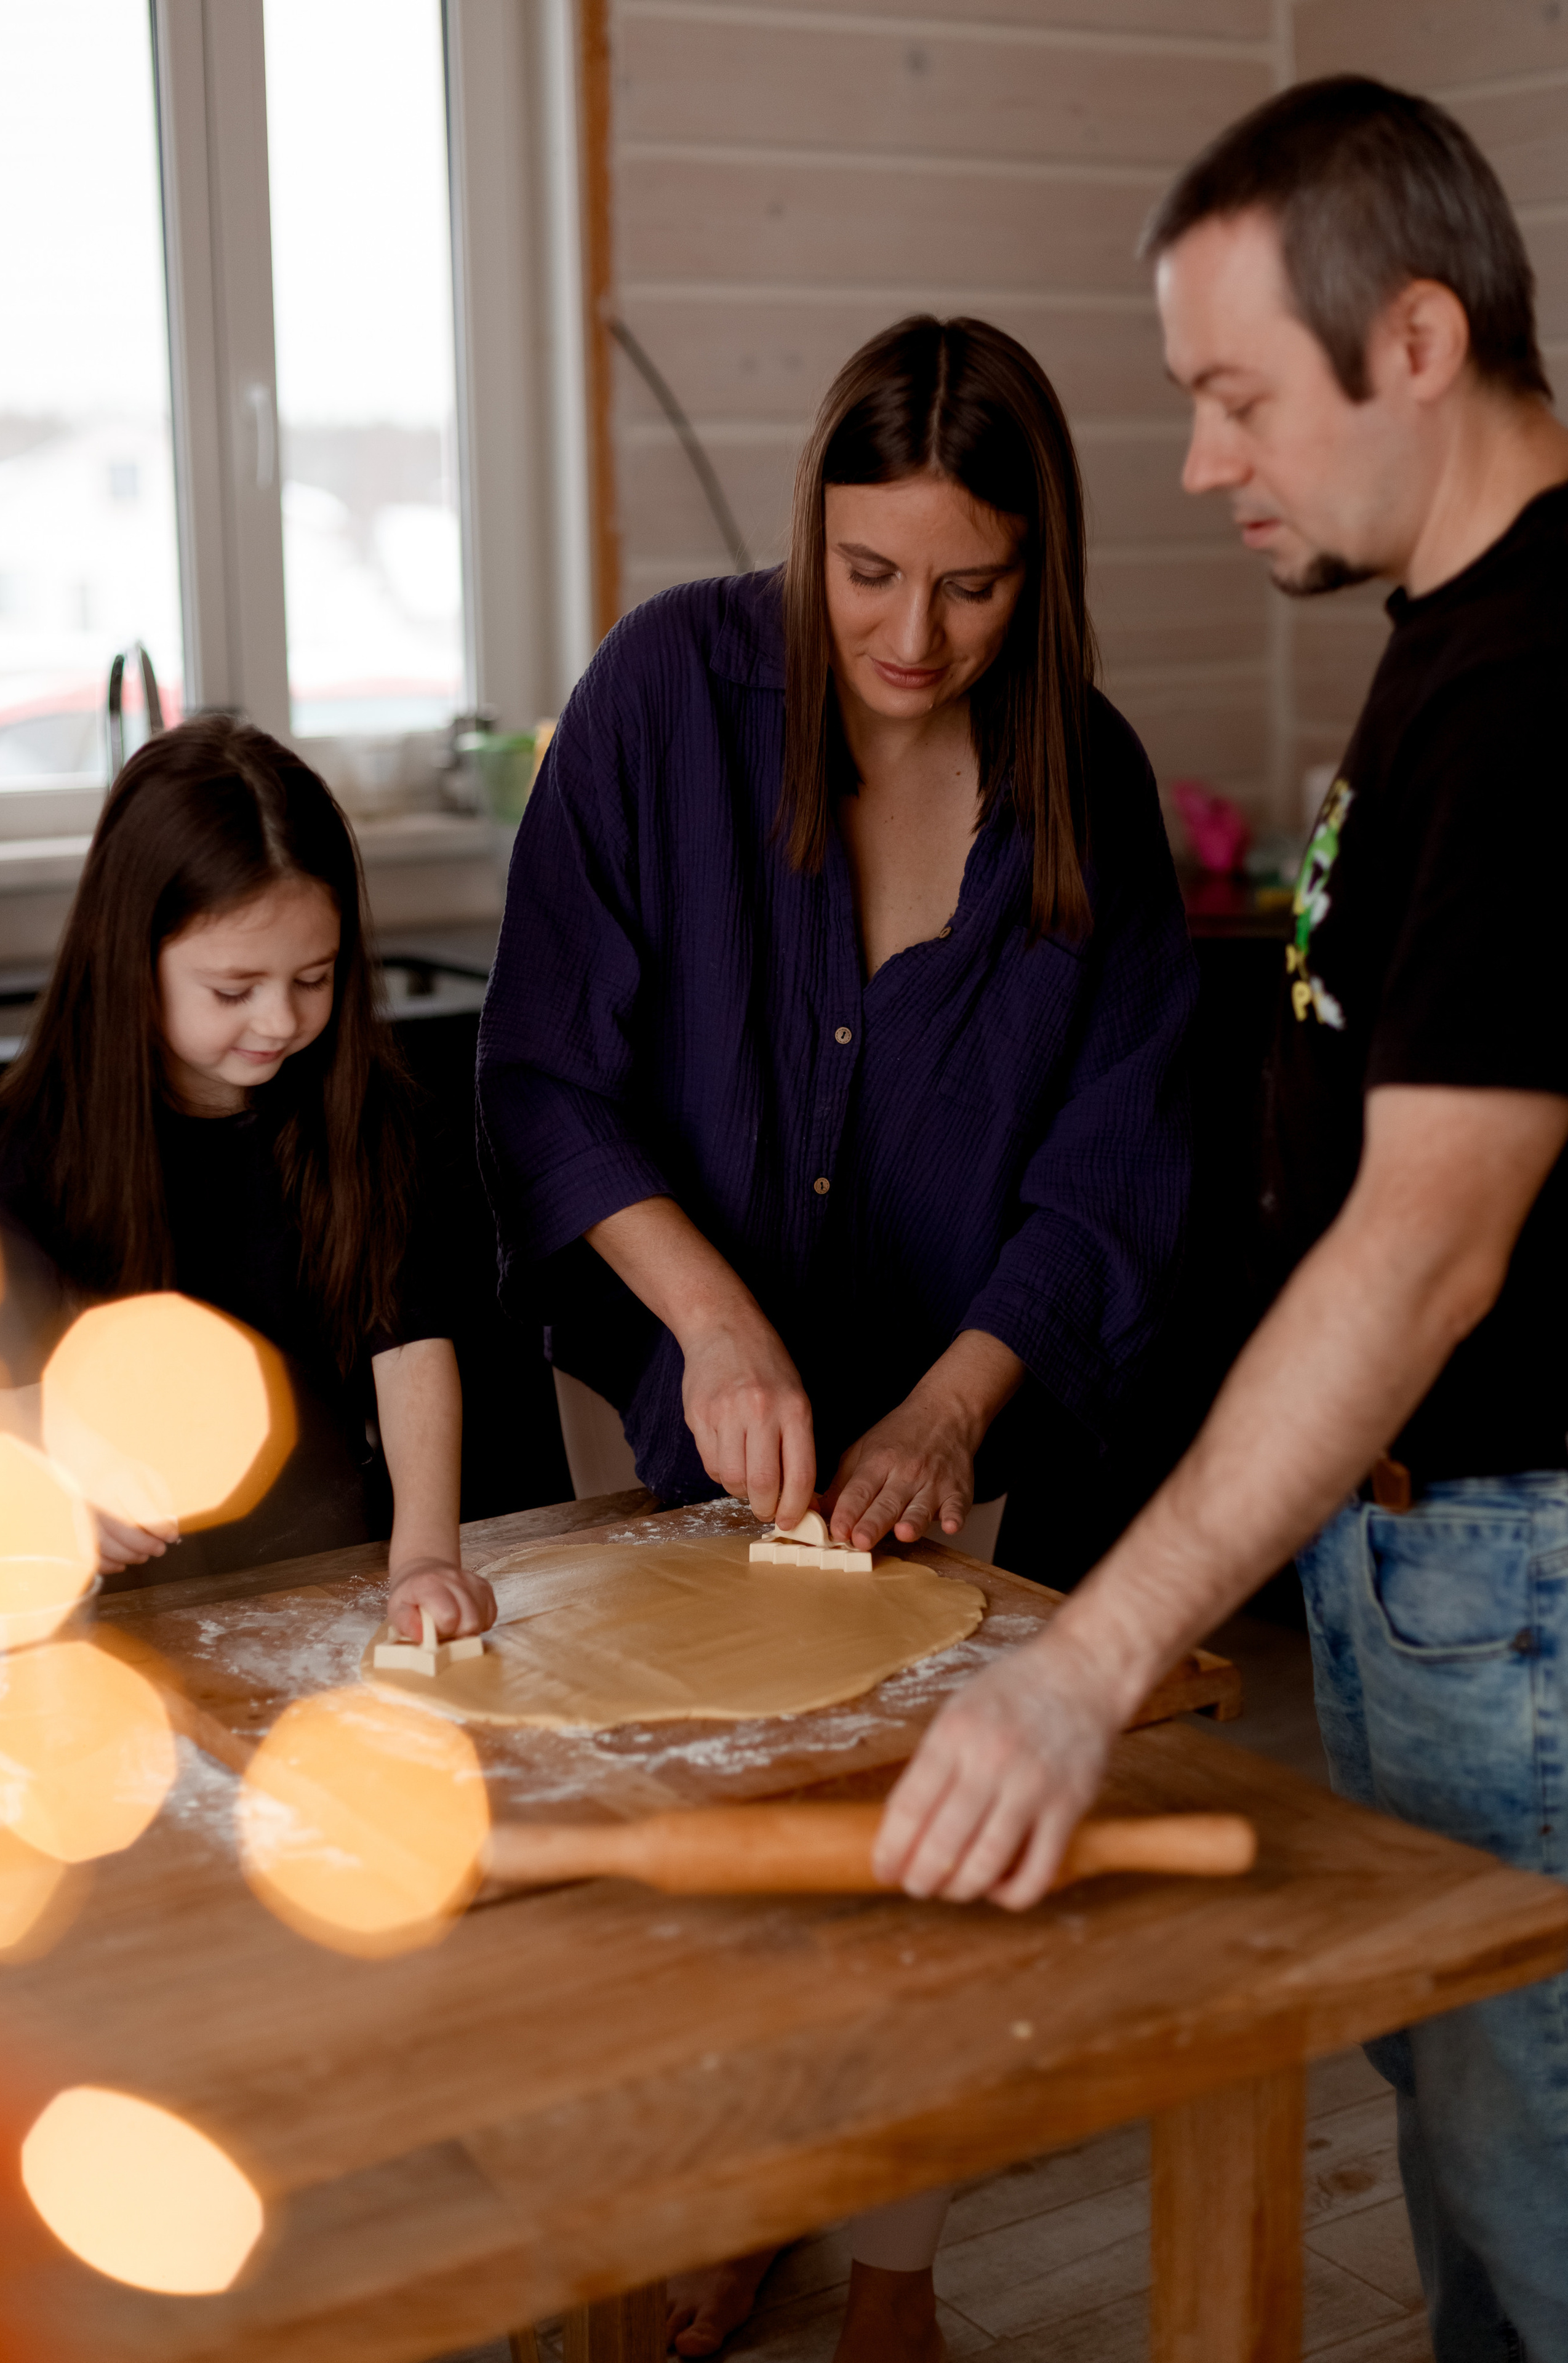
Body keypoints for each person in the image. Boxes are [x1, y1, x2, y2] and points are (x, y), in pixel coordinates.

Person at [874, 78, 1568, 2363]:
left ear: (1421, 342)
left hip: (1530, 1583)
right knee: (1480, 2175)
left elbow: (1428, 1246)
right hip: (1430, 1572)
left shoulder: (1538, 689)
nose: (1199, 461)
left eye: (1234, 394)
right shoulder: (1451, 644)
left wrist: (1085, 1662)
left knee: (1545, 2202)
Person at [476, 316, 1198, 2360]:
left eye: (971, 584)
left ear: (1037, 568)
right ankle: (728, 2208)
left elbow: (1117, 1162)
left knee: (912, 1863)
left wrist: (955, 1412)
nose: (911, 631)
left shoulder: (1092, 780)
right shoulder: (660, 701)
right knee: (701, 1855)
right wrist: (710, 1321)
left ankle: (895, 2277)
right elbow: (543, 1078)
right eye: (867, 573)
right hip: (675, 1392)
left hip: (952, 1411)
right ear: (810, 529)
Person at [0, 716, 494, 1648]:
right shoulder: (32, 1147)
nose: (281, 1019)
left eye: (315, 976)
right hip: (118, 1623)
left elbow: (413, 1349)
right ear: (130, 959)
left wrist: (425, 1558)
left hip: (329, 1578)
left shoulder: (367, 1116)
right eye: (234, 990)